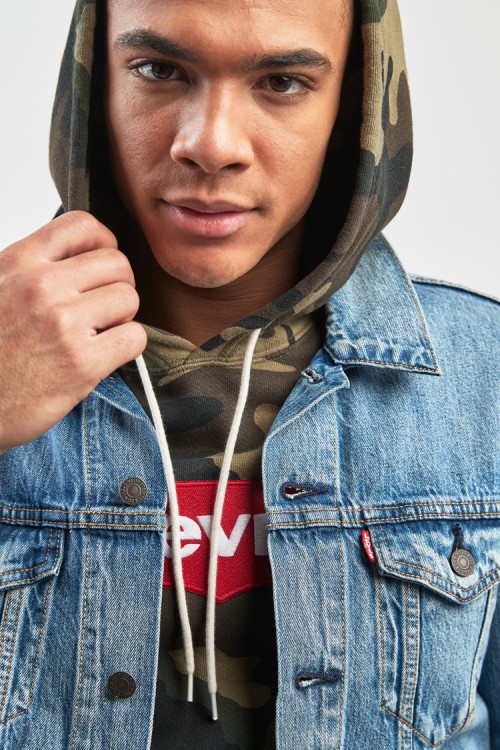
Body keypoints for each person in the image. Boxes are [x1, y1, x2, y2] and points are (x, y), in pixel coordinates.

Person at [0, 0, 498, 748]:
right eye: (159, 69)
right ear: (93, 83)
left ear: (355, 108)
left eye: (283, 82)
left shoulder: (483, 376)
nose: (211, 145)